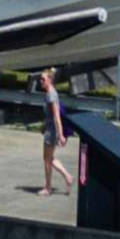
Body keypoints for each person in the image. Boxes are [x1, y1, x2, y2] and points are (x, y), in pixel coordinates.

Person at [37, 69, 76, 197]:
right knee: (49, 158)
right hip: (49, 129)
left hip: (52, 131)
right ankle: (68, 177)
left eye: (43, 79)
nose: (40, 81)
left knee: (47, 160)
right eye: (40, 79)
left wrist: (61, 135)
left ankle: (48, 187)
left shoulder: (51, 95)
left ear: (50, 80)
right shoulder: (49, 93)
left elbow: (56, 116)